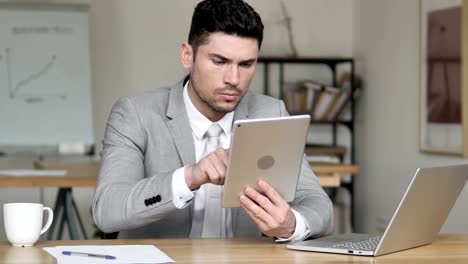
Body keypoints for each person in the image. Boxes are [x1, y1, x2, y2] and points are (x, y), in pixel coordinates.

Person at [92, 0, 333, 241]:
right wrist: (190, 177)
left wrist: (291, 225)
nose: (234, 79)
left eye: (246, 64)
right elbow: (107, 210)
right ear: (188, 55)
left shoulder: (271, 112)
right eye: (219, 61)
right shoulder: (135, 113)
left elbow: (319, 205)